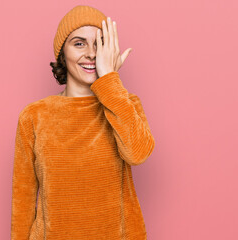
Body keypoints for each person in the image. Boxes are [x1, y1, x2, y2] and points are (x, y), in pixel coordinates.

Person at [10, 5, 155, 240]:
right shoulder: (34, 116)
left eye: (99, 44)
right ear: (62, 53)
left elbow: (138, 154)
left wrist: (109, 79)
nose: (91, 53)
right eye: (79, 43)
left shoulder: (125, 104)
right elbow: (23, 200)